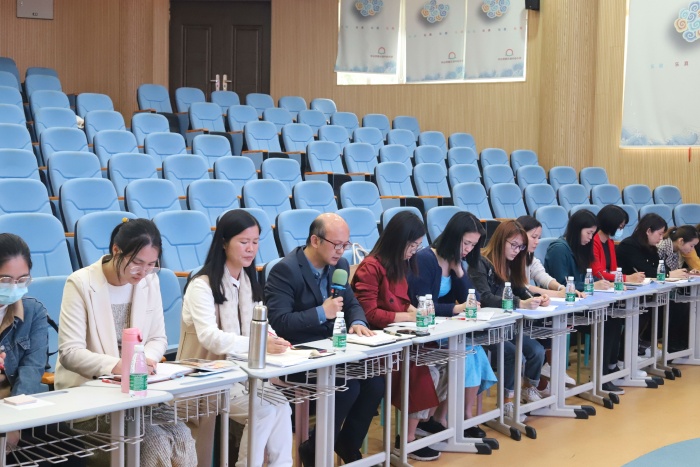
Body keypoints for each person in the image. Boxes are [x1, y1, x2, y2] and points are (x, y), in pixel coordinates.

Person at [55, 219, 197, 467]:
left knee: (182, 436)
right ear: (116, 250)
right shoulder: (80, 283)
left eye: (151, 265)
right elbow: (70, 352)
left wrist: (146, 359)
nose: (143, 272)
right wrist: (119, 366)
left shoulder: (150, 281)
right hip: (92, 399)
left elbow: (158, 338)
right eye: (137, 262)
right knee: (152, 440)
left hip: (139, 394)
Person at [265, 213, 384, 466]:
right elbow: (279, 322)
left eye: (345, 245)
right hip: (297, 355)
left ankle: (346, 443)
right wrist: (322, 312)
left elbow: (351, 304)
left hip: (331, 351)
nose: (341, 251)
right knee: (347, 386)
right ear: (315, 240)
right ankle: (316, 448)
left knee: (375, 380)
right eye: (336, 244)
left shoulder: (340, 266)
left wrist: (358, 322)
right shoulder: (285, 271)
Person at [179, 210, 293, 467]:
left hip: (242, 373)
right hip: (205, 377)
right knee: (263, 411)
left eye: (255, 242)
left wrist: (275, 340)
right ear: (223, 242)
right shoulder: (201, 285)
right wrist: (259, 345)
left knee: (283, 407)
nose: (251, 249)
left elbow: (262, 325)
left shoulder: (248, 282)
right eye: (243, 242)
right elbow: (209, 337)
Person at [351, 211, 441, 462]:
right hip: (376, 345)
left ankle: (426, 425)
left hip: (400, 340)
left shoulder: (400, 265)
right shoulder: (370, 267)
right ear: (398, 241)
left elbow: (402, 302)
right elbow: (369, 313)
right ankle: (407, 439)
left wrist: (417, 312)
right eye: (412, 246)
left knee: (442, 361)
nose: (414, 251)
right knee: (420, 370)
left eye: (418, 246)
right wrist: (409, 317)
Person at [406, 211, 497, 438]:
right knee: (465, 353)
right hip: (423, 331)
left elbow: (472, 300)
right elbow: (422, 305)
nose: (468, 249)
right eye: (466, 243)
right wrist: (456, 309)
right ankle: (447, 418)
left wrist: (459, 272)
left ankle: (451, 416)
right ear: (453, 237)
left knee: (473, 351)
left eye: (473, 245)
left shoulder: (456, 263)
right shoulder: (425, 259)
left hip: (444, 330)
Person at [467, 220, 546, 419]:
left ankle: (528, 389)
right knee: (512, 354)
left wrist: (535, 299)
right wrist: (521, 303)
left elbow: (520, 289)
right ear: (501, 241)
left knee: (536, 350)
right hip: (483, 326)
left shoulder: (511, 263)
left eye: (521, 247)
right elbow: (485, 297)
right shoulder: (480, 262)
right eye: (514, 245)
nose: (517, 251)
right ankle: (506, 402)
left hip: (504, 325)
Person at [544, 209, 626, 395]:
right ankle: (601, 377)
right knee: (607, 321)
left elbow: (585, 277)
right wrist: (591, 285)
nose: (590, 238)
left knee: (614, 317)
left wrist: (597, 284)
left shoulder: (580, 248)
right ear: (577, 229)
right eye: (588, 233)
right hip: (563, 308)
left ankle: (609, 370)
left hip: (581, 304)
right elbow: (562, 284)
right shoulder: (559, 249)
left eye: (592, 233)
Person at [616, 213, 669, 356]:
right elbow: (648, 271)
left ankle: (643, 345)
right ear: (648, 231)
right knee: (644, 310)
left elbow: (661, 267)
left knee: (665, 306)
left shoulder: (651, 247)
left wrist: (670, 273)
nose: (661, 238)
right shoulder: (629, 245)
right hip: (625, 292)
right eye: (659, 234)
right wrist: (669, 274)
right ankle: (625, 355)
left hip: (644, 292)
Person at [655, 225, 698, 351]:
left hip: (670, 289)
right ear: (681, 241)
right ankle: (673, 347)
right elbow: (657, 272)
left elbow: (675, 271)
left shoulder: (677, 250)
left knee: (685, 304)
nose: (692, 249)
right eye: (691, 246)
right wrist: (671, 275)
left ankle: (680, 346)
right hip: (659, 291)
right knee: (680, 307)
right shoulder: (661, 248)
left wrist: (688, 272)